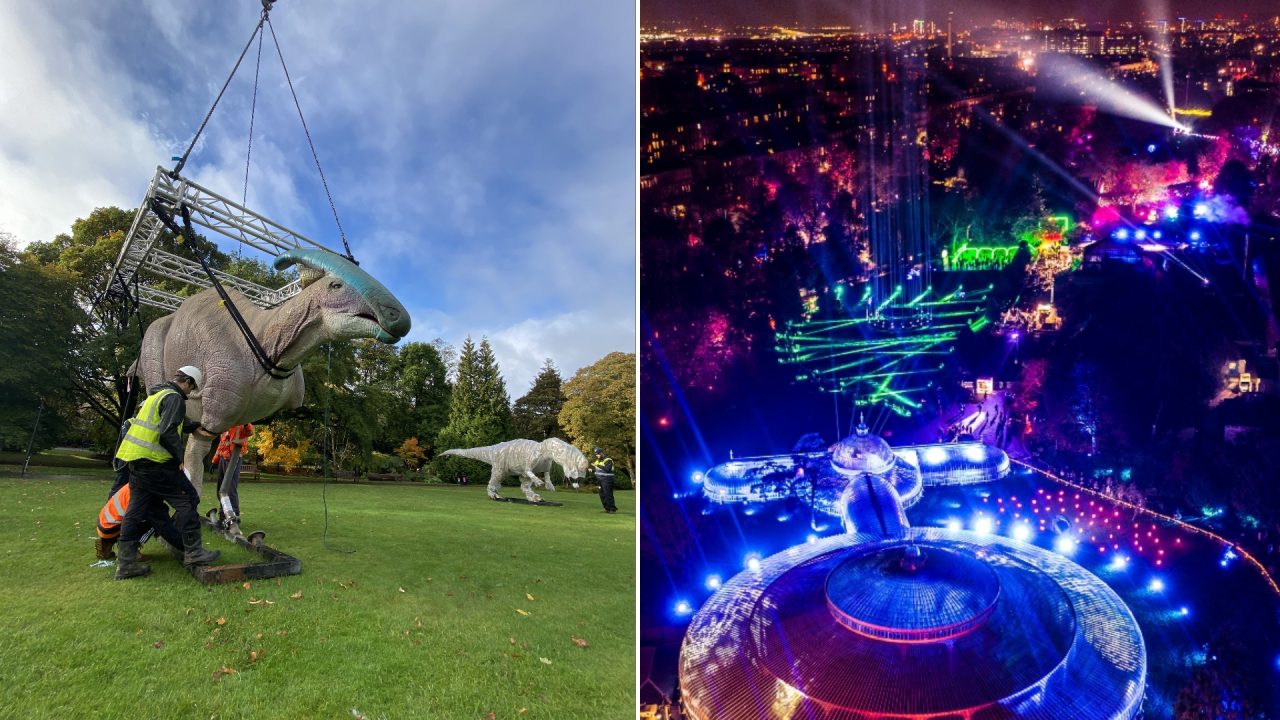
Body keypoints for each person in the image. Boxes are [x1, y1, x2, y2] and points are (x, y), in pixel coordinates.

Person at [113, 366, 220, 580]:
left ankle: (125, 563)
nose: (190, 393)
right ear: (187, 382)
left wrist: (193, 425)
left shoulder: (157, 394)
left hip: (136, 462)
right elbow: (167, 431)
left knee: (135, 511)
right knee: (188, 499)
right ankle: (193, 552)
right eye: (192, 388)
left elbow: (169, 422)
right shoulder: (174, 398)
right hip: (157, 464)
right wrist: (179, 458)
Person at [94, 483, 183, 562]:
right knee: (156, 520)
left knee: (161, 510)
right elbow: (161, 522)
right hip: (112, 527)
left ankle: (108, 543)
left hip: (104, 523)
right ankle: (131, 550)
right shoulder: (145, 493)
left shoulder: (138, 481)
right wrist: (184, 546)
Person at [211, 423, 253, 522]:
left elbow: (250, 431)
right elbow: (221, 444)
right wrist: (215, 460)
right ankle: (223, 514)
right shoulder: (227, 424)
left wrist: (246, 423)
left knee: (230, 488)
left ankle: (234, 515)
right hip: (223, 458)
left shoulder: (243, 423)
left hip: (234, 458)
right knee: (221, 488)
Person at [590, 447, 617, 514]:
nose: (597, 455)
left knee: (608, 494)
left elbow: (607, 469)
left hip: (608, 480)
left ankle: (612, 509)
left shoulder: (608, 460)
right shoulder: (598, 461)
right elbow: (598, 470)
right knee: (602, 495)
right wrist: (592, 470)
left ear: (602, 453)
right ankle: (606, 508)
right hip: (600, 480)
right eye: (596, 454)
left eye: (598, 454)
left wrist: (597, 465)